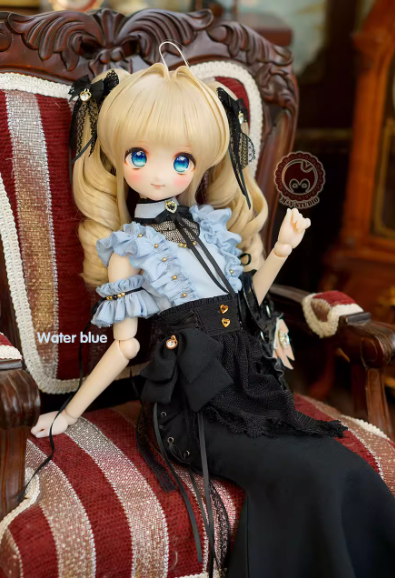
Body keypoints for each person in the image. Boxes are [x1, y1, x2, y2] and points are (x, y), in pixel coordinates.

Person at [30, 45, 395, 578]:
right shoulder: (128, 248)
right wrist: (67, 414)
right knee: (310, 476)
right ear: (117, 156)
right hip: (192, 410)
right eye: (139, 156)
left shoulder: (209, 229)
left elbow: (245, 304)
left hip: (250, 390)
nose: (159, 175)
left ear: (199, 165)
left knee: (342, 466)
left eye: (181, 161)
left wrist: (281, 251)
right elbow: (125, 345)